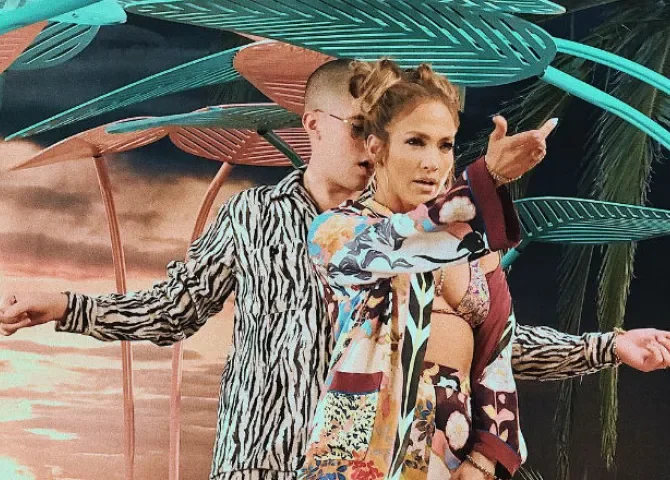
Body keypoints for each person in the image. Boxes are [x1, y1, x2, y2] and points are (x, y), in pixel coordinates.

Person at [0, 59, 669, 480]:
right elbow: (172, 309)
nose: (373, 145)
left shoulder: (427, 234)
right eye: (359, 127)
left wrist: (606, 346)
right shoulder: (264, 218)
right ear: (313, 124)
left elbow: (484, 346)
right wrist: (66, 306)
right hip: (260, 462)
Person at [305, 59, 523, 480]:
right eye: (415, 142)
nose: (432, 162)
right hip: (368, 445)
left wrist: (483, 460)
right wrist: (486, 178)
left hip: (456, 445)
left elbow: (498, 352)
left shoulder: (474, 247)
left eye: (445, 145)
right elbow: (407, 243)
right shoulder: (339, 230)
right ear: (377, 148)